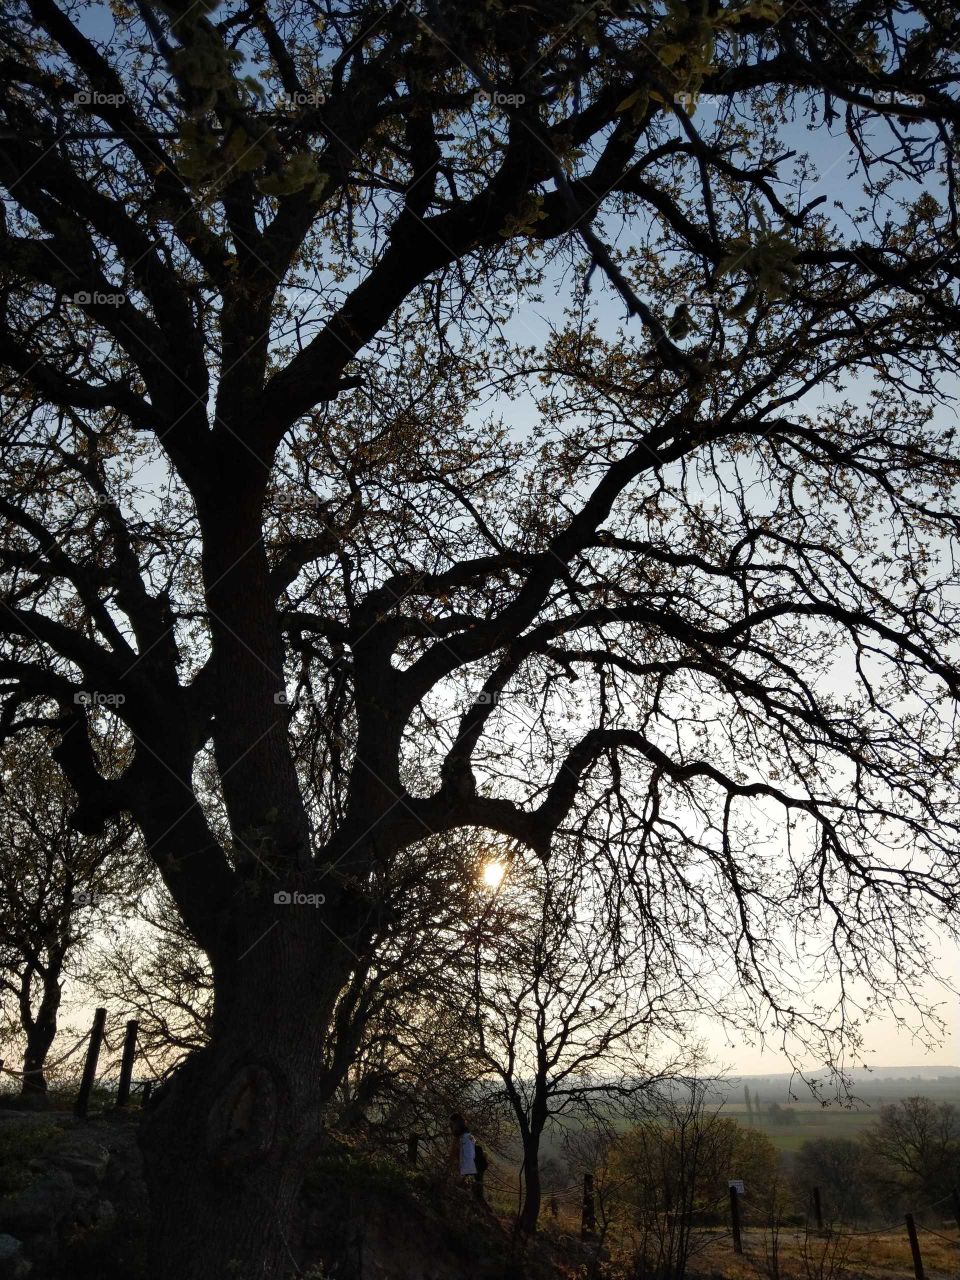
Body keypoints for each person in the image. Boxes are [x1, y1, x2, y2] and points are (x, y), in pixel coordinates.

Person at [448, 1112, 488, 1207]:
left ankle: (480, 1209)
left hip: (475, 1166)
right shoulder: (467, 1133)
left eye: (451, 1125)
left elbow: (455, 1155)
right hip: (479, 1164)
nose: (450, 1127)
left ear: (455, 1124)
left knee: (476, 1193)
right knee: (478, 1193)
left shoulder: (462, 1137)